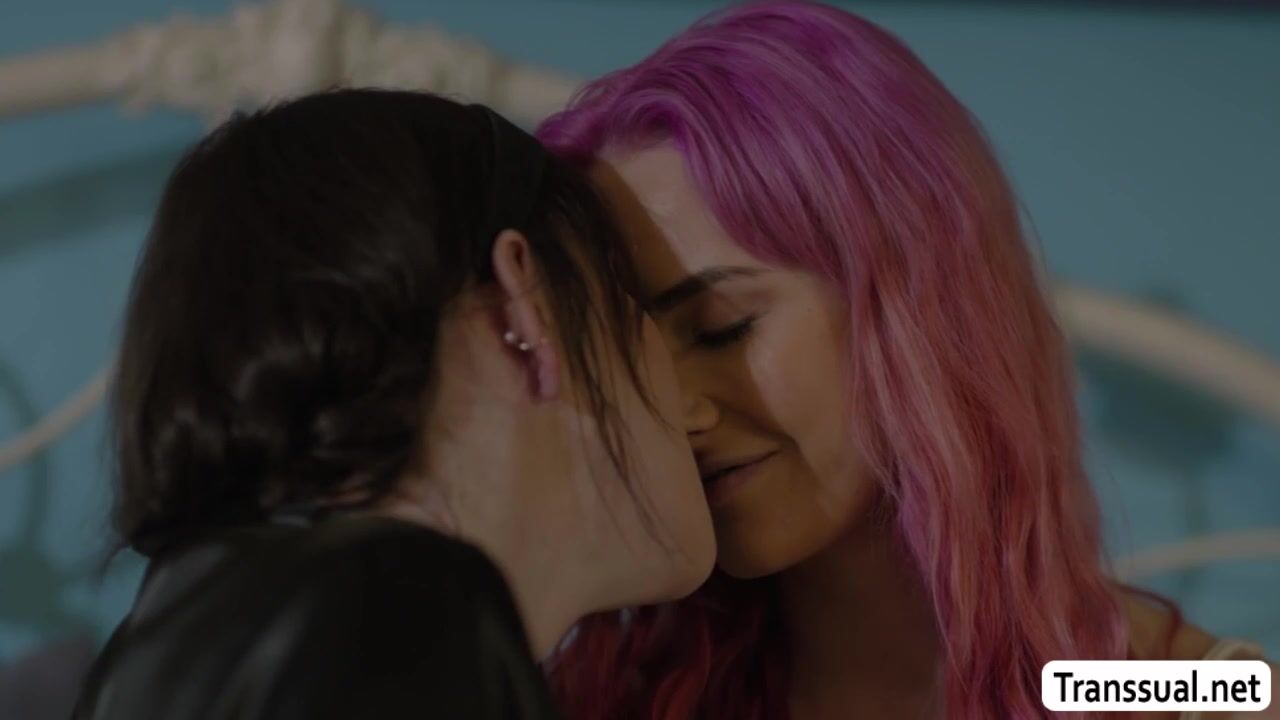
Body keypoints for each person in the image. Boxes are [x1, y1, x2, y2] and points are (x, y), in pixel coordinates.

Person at [538, 2, 1275, 718]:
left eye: (721, 329)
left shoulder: (1185, 693)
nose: (673, 407)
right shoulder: (607, 695)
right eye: (624, 358)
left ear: (917, 310)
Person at [72, 88, 715, 720]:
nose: (695, 407)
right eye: (631, 299)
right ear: (525, 308)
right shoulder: (391, 610)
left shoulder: (153, 651)